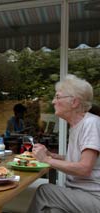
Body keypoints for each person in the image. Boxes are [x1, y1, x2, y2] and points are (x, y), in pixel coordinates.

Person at [28, 74, 100, 213]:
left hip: (95, 197)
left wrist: (46, 159)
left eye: (58, 97)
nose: (53, 101)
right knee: (52, 210)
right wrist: (52, 156)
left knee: (45, 191)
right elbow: (76, 161)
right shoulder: (76, 126)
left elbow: (84, 168)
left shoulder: (91, 124)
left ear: (74, 102)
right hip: (78, 193)